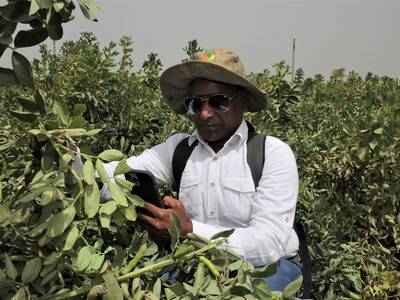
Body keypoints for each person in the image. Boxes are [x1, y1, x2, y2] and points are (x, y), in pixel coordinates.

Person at [100, 48, 301, 291]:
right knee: (132, 289)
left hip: (267, 267)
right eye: (196, 104)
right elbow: (114, 176)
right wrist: (67, 155)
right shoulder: (178, 149)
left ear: (243, 100)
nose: (205, 113)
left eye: (219, 101)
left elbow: (268, 245)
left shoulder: (272, 153)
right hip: (193, 261)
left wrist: (190, 230)